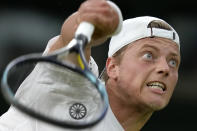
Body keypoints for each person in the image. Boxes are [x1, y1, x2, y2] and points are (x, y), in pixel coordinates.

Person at [0, 0, 181, 131]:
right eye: (148, 55)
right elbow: (71, 37)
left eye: (173, 61)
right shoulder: (77, 87)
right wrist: (86, 20)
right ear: (112, 67)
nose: (165, 68)